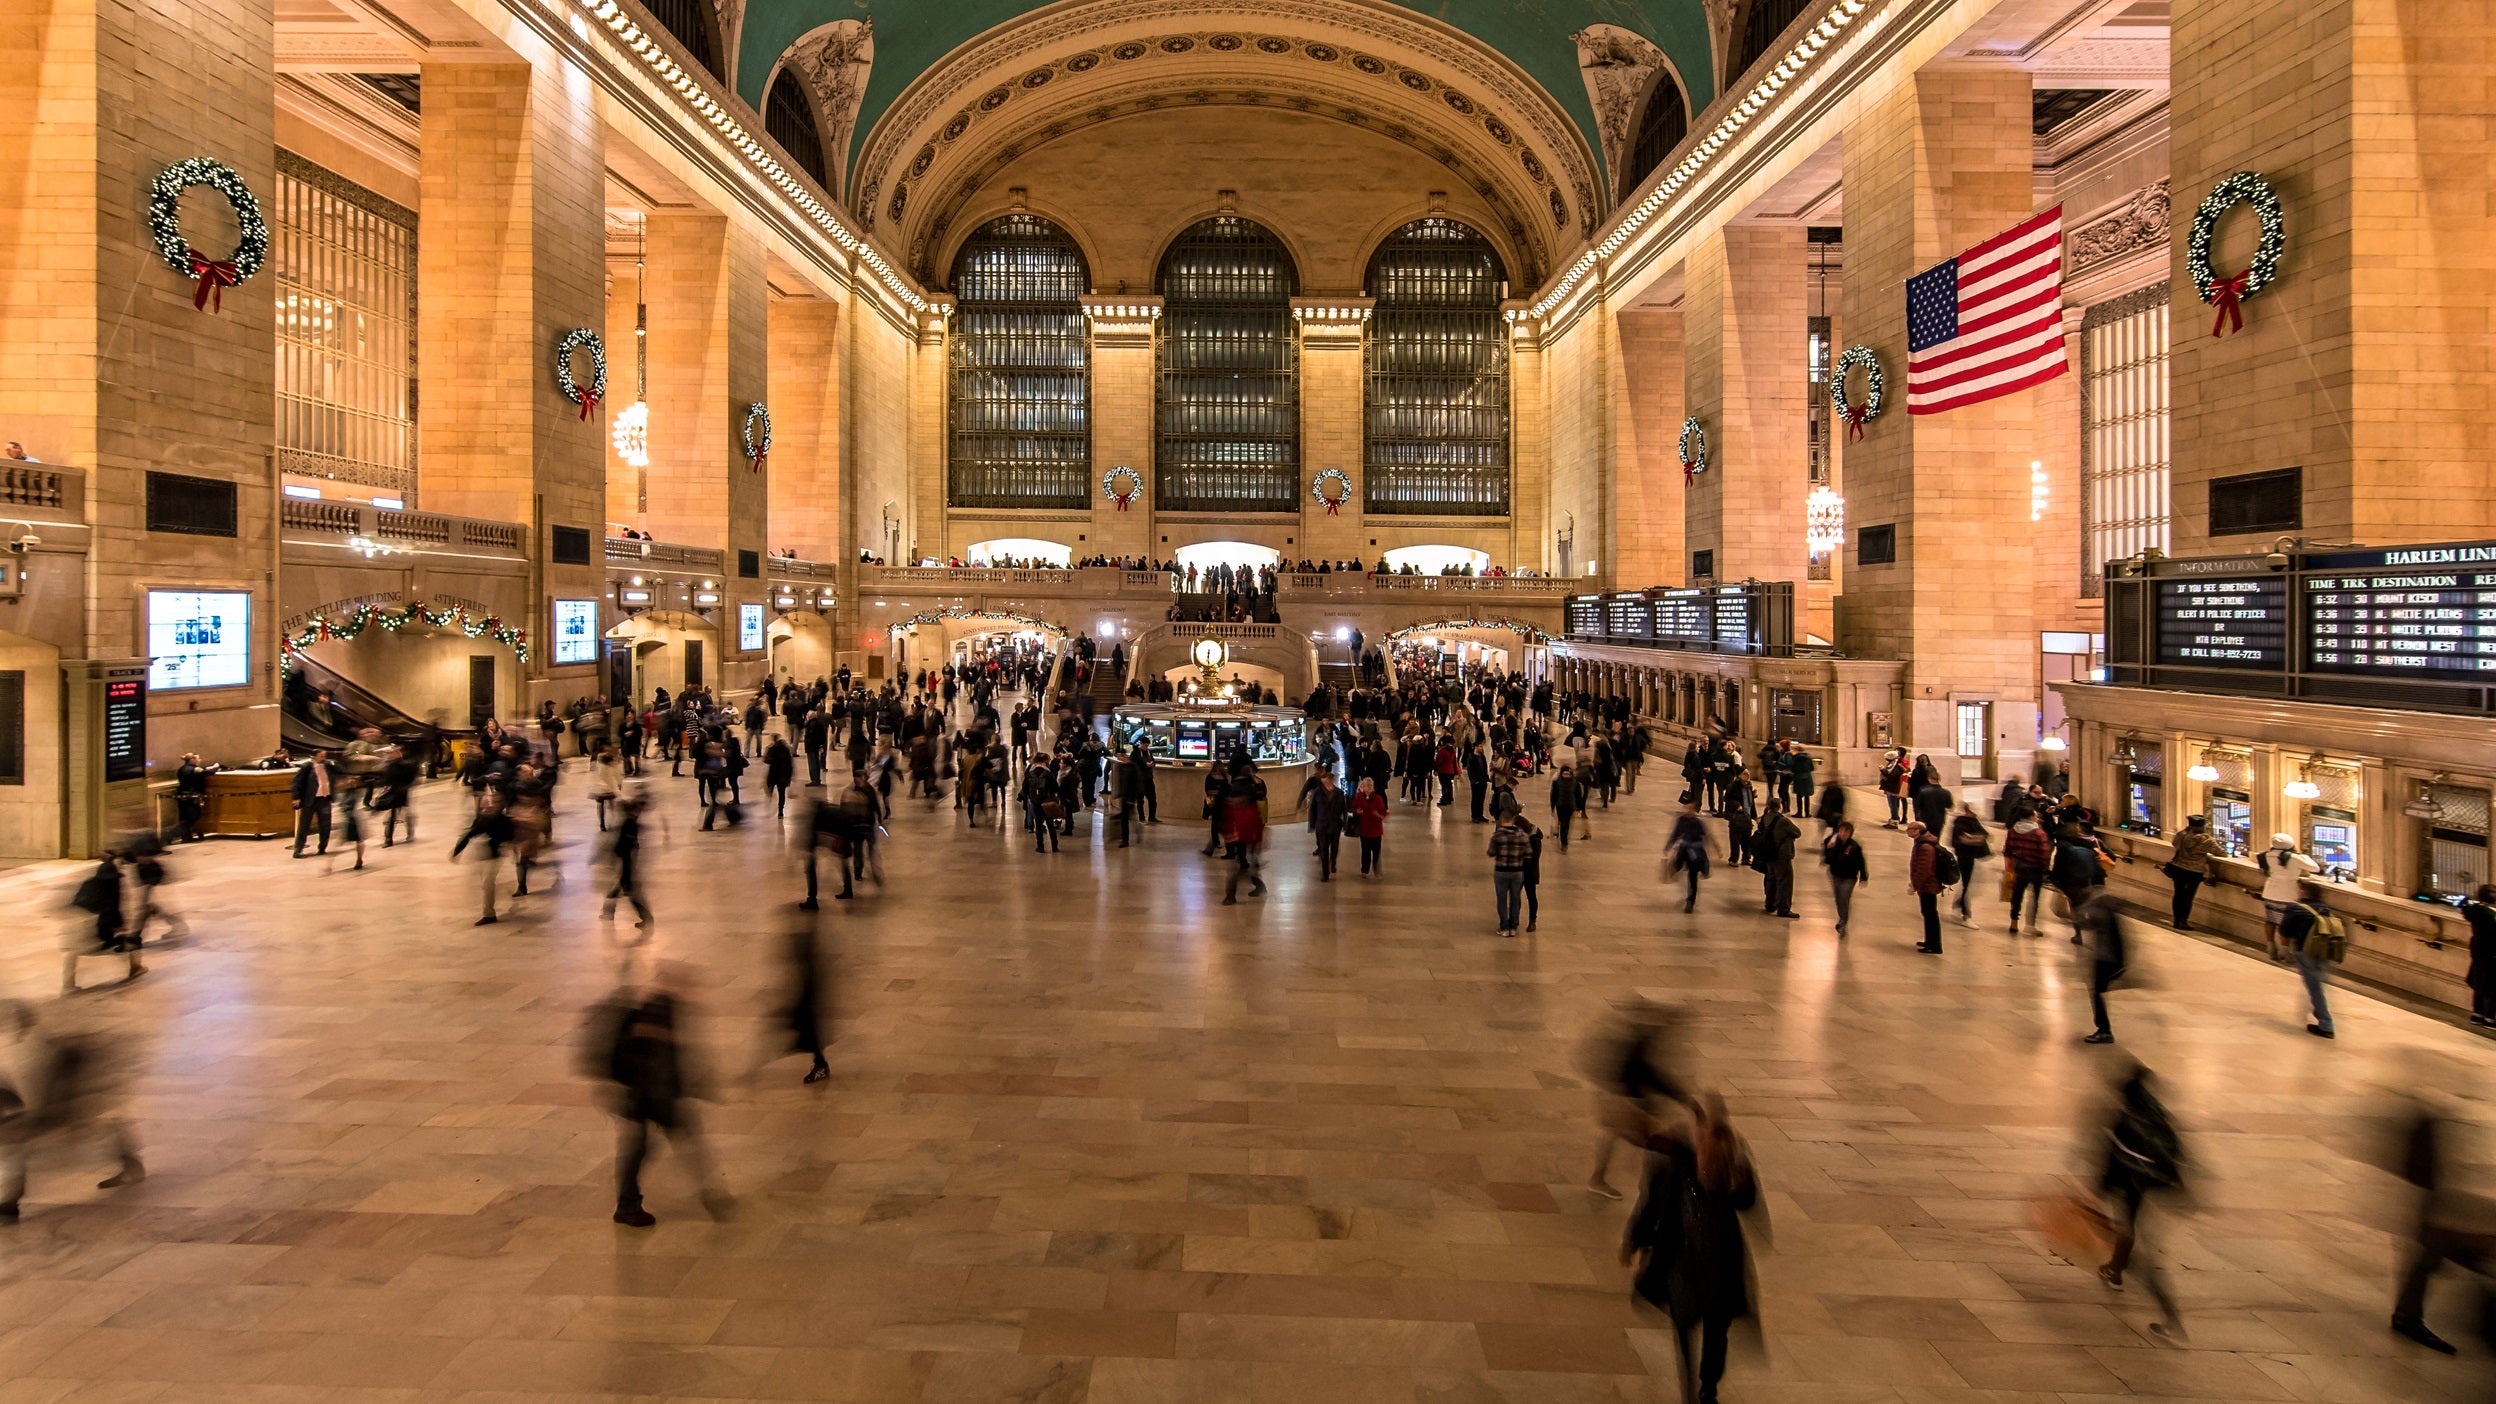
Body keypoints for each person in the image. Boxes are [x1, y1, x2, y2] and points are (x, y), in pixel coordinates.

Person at [1624, 1094, 1764, 1404]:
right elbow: (1653, 1202)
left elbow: (1747, 1200)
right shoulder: (1676, 1157)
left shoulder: (1731, 1160)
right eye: (1697, 1123)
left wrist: (1733, 1180)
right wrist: (1637, 1237)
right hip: (1681, 1260)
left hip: (1719, 1261)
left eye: (1703, 1124)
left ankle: (1708, 1386)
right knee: (1684, 1324)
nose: (1697, 1130)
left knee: (1717, 1329)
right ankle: (1691, 1391)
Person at [585, 975, 732, 1228]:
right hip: (651, 1098)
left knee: (641, 1149)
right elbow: (660, 1063)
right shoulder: (661, 1016)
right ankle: (632, 1206)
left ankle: (631, 1204)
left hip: (647, 1097)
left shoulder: (660, 1011)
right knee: (664, 1146)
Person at [0, 1004, 145, 1222]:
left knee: (16, 1141)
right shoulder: (30, 1043)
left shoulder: (32, 1046)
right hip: (49, 1098)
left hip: (51, 1100)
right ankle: (129, 1160)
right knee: (18, 1140)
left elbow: (43, 1080)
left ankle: (10, 1204)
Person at [2097, 1060, 2188, 1339]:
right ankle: (2115, 1269)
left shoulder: (2125, 1118)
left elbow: (2113, 1161)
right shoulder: (2156, 1113)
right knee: (2129, 1229)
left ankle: (2173, 1323)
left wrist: (2101, 1187)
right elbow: (2177, 1153)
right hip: (2157, 1185)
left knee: (2144, 1253)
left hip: (2134, 1182)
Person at [1581, 1000, 1681, 1201]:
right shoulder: (1641, 1040)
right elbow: (1646, 1074)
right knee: (1659, 1144)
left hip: (1617, 1099)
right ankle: (1657, 1191)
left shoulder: (1636, 1036)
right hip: (1623, 1102)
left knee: (1612, 1134)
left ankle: (1598, 1179)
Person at [65, 853, 142, 994]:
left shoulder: (89, 883)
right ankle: (136, 968)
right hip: (99, 931)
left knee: (73, 953)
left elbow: (75, 903)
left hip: (78, 927)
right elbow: (112, 911)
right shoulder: (112, 888)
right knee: (134, 940)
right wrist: (120, 927)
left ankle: (68, 984)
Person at [2278, 881, 2344, 1039]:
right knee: (2317, 983)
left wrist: (2285, 949)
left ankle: (2326, 1024)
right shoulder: (2326, 909)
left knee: (2315, 987)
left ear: (2303, 893)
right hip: (2324, 951)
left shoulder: (2295, 908)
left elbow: (2284, 930)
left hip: (2305, 951)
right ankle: (2319, 1012)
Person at [2258, 833, 2321, 960]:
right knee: (2285, 923)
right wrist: (2303, 856)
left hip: (2270, 892)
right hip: (2288, 894)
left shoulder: (2265, 856)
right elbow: (2315, 868)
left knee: (2270, 920)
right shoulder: (2293, 858)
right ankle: (2285, 950)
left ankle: (2270, 946)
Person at [2078, 887, 2127, 1044]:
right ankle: (2104, 1028)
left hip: (2106, 958)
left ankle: (2104, 1030)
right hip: (2109, 957)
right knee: (2098, 990)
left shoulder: (2099, 905)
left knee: (2097, 991)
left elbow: (2087, 921)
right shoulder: (2105, 903)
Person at [600, 793, 652, 932]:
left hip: (626, 864)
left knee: (629, 893)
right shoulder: (630, 822)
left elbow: (624, 845)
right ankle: (608, 911)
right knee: (620, 889)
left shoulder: (629, 824)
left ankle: (646, 918)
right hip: (626, 863)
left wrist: (614, 854)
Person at [2164, 815, 2221, 930]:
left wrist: (2186, 830)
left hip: (2178, 867)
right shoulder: (2205, 839)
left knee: (2178, 894)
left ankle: (2176, 920)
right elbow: (2220, 852)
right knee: (2188, 897)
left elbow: (2174, 844)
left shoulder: (2181, 835)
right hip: (2194, 871)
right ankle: (2183, 921)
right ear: (2202, 826)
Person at [2003, 809, 2052, 935]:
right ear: (2031, 817)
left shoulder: (2013, 831)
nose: (2037, 817)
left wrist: (2009, 866)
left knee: (2017, 895)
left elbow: (2007, 850)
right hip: (2036, 868)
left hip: (2019, 867)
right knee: (2034, 897)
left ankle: (2014, 922)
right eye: (2036, 815)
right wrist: (2045, 868)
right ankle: (2030, 925)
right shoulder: (2039, 833)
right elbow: (2044, 853)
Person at [1820, 821, 1867, 938]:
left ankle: (1842, 922)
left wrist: (1863, 875)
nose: (1843, 834)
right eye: (1841, 831)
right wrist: (1828, 849)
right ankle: (1842, 917)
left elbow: (1861, 862)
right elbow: (1828, 859)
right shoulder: (1833, 843)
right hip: (1835, 874)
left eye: (1846, 832)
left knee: (1844, 898)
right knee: (1838, 898)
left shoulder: (1855, 847)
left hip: (1849, 877)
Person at [1754, 801, 1800, 919]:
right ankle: (1783, 908)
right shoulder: (1783, 821)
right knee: (1784, 881)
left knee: (1771, 879)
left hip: (1768, 854)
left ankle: (1770, 904)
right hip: (1782, 855)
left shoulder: (1764, 818)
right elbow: (1797, 832)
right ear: (1779, 807)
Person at [1907, 821, 1947, 953]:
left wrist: (1915, 885)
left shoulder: (1925, 847)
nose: (1907, 831)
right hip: (1925, 886)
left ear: (1918, 830)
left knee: (1930, 915)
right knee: (1927, 913)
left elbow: (1924, 870)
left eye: (1910, 829)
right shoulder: (1922, 843)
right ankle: (1929, 941)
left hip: (1928, 886)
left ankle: (1935, 945)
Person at [1488, 810, 1530, 936]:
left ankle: (1504, 927)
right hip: (1517, 871)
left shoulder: (1497, 835)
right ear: (1513, 820)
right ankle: (1513, 926)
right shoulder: (1522, 835)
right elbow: (1528, 854)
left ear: (1501, 820)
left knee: (1501, 899)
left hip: (1501, 871)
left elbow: (1491, 852)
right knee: (1515, 898)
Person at [1948, 803, 1990, 926]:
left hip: (1972, 856)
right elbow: (1958, 840)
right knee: (1966, 885)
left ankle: (1959, 906)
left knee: (1968, 885)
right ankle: (1965, 914)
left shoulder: (1974, 821)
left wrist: (1974, 838)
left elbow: (1985, 834)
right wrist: (1971, 839)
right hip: (1964, 856)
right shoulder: (1960, 822)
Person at [1665, 802, 1710, 914]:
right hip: (1684, 851)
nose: (1687, 810)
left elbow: (1706, 837)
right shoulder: (1681, 820)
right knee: (1676, 868)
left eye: (1689, 808)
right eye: (1686, 808)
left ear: (1694, 810)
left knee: (1692, 876)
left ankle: (1691, 901)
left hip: (1694, 854)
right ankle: (1676, 873)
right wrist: (1668, 846)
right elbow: (1675, 834)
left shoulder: (1698, 823)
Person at [290, 750, 335, 858]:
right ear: (314, 756)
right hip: (310, 800)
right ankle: (298, 849)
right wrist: (296, 797)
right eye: (321, 756)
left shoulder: (328, 765)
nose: (323, 757)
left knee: (325, 825)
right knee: (304, 826)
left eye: (324, 755)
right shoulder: (307, 767)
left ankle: (322, 847)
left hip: (324, 799)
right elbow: (296, 782)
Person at [1307, 769, 1347, 882]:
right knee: (1324, 850)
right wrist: (1312, 824)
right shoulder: (1318, 793)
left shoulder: (1339, 793)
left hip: (1335, 825)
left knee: (1334, 848)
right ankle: (1325, 873)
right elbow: (1313, 810)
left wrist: (1345, 824)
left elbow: (1344, 810)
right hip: (1322, 825)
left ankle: (1333, 862)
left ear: (1332, 780)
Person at [2466, 884, 2496, 1027]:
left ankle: (2477, 1015)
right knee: (2491, 988)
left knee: (2479, 986)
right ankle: (2490, 1018)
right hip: (2492, 956)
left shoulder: (2475, 912)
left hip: (2478, 954)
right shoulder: (2490, 915)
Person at [1351, 777, 1389, 876]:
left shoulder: (1378, 798)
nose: (1369, 787)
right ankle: (1364, 870)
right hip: (1364, 829)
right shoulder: (1359, 797)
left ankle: (1376, 868)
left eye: (1371, 785)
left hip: (1376, 830)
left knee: (1376, 851)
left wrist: (1379, 815)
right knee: (1365, 851)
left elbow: (1384, 812)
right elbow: (1354, 809)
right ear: (1363, 787)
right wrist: (1357, 812)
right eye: (1367, 785)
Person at [174, 753, 211, 841]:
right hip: (191, 796)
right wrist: (216, 767)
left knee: (184, 816)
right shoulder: (193, 769)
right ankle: (174, 833)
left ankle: (186, 837)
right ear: (192, 760)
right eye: (198, 758)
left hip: (182, 795)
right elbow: (209, 773)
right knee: (194, 815)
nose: (200, 760)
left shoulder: (181, 769)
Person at [589, 745, 623, 831]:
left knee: (600, 805)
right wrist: (619, 784)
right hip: (608, 788)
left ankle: (602, 823)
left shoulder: (597, 760)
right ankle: (611, 819)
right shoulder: (613, 762)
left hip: (598, 788)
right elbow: (617, 774)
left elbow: (593, 772)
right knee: (610, 803)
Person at [762, 734, 795, 818]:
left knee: (770, 790)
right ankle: (780, 811)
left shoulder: (772, 749)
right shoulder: (785, 749)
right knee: (782, 793)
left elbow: (766, 760)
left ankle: (770, 806)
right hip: (783, 775)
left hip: (773, 774)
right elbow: (790, 764)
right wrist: (790, 775)